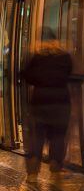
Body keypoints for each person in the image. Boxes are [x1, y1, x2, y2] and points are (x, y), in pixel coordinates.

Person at [20, 31, 73, 177]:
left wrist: (39, 82)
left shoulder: (37, 57)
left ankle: (32, 172)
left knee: (37, 136)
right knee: (58, 136)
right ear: (56, 41)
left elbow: (26, 75)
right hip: (61, 102)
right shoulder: (65, 57)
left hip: (40, 101)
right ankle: (55, 165)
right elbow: (68, 74)